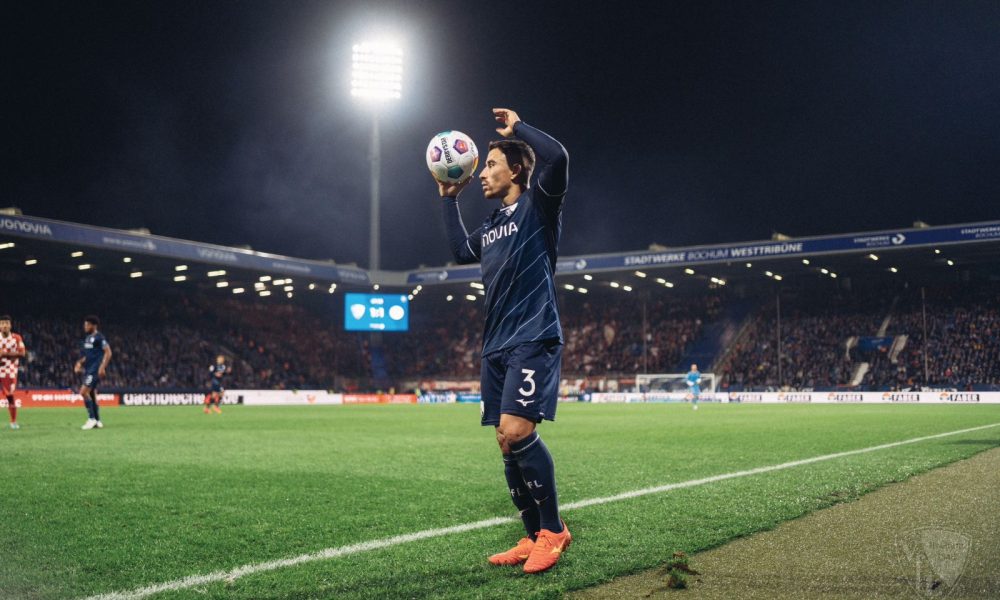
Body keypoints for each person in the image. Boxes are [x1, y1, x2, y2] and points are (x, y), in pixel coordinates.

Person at [438, 108, 570, 574]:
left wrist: (518, 130)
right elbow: (459, 251)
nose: (482, 173)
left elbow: (557, 156)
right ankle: (532, 533)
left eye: (490, 164)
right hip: (495, 344)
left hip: (532, 335)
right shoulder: (492, 225)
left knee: (518, 431)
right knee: (503, 441)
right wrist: (448, 199)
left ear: (515, 169)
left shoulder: (539, 206)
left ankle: (553, 532)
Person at [74, 315, 112, 430]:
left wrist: (102, 367)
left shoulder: (99, 337)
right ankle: (97, 420)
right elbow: (88, 356)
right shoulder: (87, 338)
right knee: (91, 394)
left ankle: (91, 419)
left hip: (94, 369)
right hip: (88, 369)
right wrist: (79, 363)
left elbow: (108, 352)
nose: (85, 326)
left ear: (93, 325)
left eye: (87, 324)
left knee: (83, 392)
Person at [0, 315, 26, 430]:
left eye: (6, 323)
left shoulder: (16, 338)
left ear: (10, 325)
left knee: (10, 396)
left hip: (9, 370)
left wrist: (4, 354)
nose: (4, 325)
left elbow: (22, 353)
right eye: (2, 323)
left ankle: (13, 421)